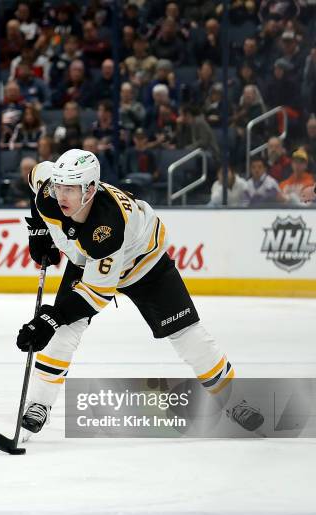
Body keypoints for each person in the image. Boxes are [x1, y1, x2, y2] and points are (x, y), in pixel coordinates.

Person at [15, 149, 264, 438]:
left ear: (91, 189)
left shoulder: (107, 226)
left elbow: (96, 294)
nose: (61, 196)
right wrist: (38, 229)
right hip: (88, 259)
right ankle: (39, 403)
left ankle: (233, 399)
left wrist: (51, 318)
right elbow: (38, 178)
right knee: (65, 332)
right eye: (59, 186)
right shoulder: (50, 189)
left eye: (70, 189)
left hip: (145, 263)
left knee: (188, 335)